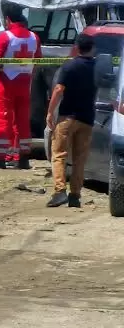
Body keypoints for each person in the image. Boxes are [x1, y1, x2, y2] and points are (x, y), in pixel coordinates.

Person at [46, 34, 96, 208]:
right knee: (80, 159)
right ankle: (75, 195)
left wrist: (50, 112)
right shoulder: (97, 67)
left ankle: (60, 192)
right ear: (92, 48)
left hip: (67, 117)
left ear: (76, 47)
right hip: (87, 118)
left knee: (59, 154)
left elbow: (59, 89)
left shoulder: (69, 66)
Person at [0, 3, 42, 169]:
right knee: (22, 121)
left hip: (6, 83)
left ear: (7, 19)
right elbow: (38, 61)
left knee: (4, 119)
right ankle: (23, 158)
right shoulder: (34, 37)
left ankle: (0, 158)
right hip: (25, 84)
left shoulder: (5, 37)